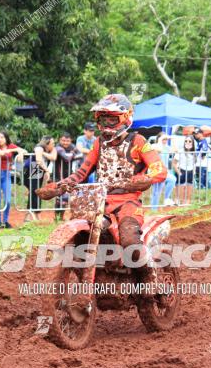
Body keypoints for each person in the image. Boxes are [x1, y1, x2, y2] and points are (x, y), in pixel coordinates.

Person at [36, 93, 167, 281]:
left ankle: (149, 279)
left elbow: (159, 168)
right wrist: (60, 186)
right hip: (100, 202)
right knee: (82, 237)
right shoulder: (99, 143)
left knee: (130, 241)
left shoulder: (137, 141)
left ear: (125, 118)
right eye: (104, 119)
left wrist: (145, 178)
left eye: (112, 119)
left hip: (127, 203)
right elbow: (82, 172)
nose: (107, 124)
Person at [0, 131, 26, 229]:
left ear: (6, 138)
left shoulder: (10, 145)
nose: (0, 139)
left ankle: (5, 221)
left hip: (6, 174)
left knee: (8, 200)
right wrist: (10, 151)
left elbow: (23, 150)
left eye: (2, 137)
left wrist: (20, 153)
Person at [52, 132, 83, 220]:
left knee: (65, 198)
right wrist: (73, 154)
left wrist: (71, 154)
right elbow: (67, 158)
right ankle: (56, 217)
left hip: (68, 175)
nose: (65, 143)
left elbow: (80, 155)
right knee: (59, 197)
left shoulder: (72, 147)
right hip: (58, 176)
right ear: (60, 140)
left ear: (71, 141)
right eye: (63, 140)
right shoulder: (57, 147)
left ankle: (60, 217)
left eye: (67, 141)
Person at [27, 136, 57, 216]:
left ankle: (34, 213)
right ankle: (33, 213)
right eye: (52, 143)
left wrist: (44, 153)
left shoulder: (51, 149)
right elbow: (38, 160)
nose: (54, 144)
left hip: (40, 169)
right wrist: (47, 170)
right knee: (35, 191)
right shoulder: (39, 147)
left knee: (38, 191)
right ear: (47, 144)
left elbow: (53, 157)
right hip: (34, 167)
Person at [150, 134, 176, 207]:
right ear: (159, 138)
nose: (165, 140)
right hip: (156, 170)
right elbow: (159, 150)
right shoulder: (154, 145)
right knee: (156, 191)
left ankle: (166, 198)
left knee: (172, 179)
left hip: (164, 171)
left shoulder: (167, 147)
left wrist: (172, 140)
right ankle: (153, 209)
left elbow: (175, 150)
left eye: (166, 139)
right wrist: (160, 139)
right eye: (164, 139)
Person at [173, 136, 197, 206]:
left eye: (189, 141)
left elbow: (194, 163)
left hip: (190, 172)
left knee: (188, 195)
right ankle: (177, 207)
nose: (187, 143)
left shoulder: (194, 152)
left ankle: (186, 207)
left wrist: (194, 172)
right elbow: (174, 163)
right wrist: (179, 173)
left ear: (192, 143)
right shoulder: (180, 151)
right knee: (179, 195)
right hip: (182, 171)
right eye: (186, 141)